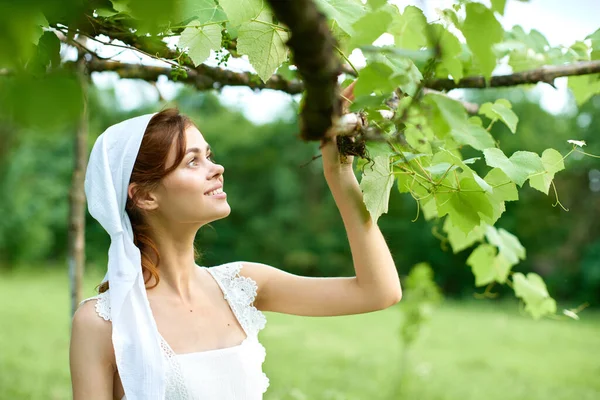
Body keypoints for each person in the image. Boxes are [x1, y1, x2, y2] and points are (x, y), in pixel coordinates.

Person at [69, 82, 402, 400]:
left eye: (209, 156)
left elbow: (379, 291)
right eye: (192, 161)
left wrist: (340, 174)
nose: (217, 168)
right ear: (144, 196)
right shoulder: (101, 324)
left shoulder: (242, 285)